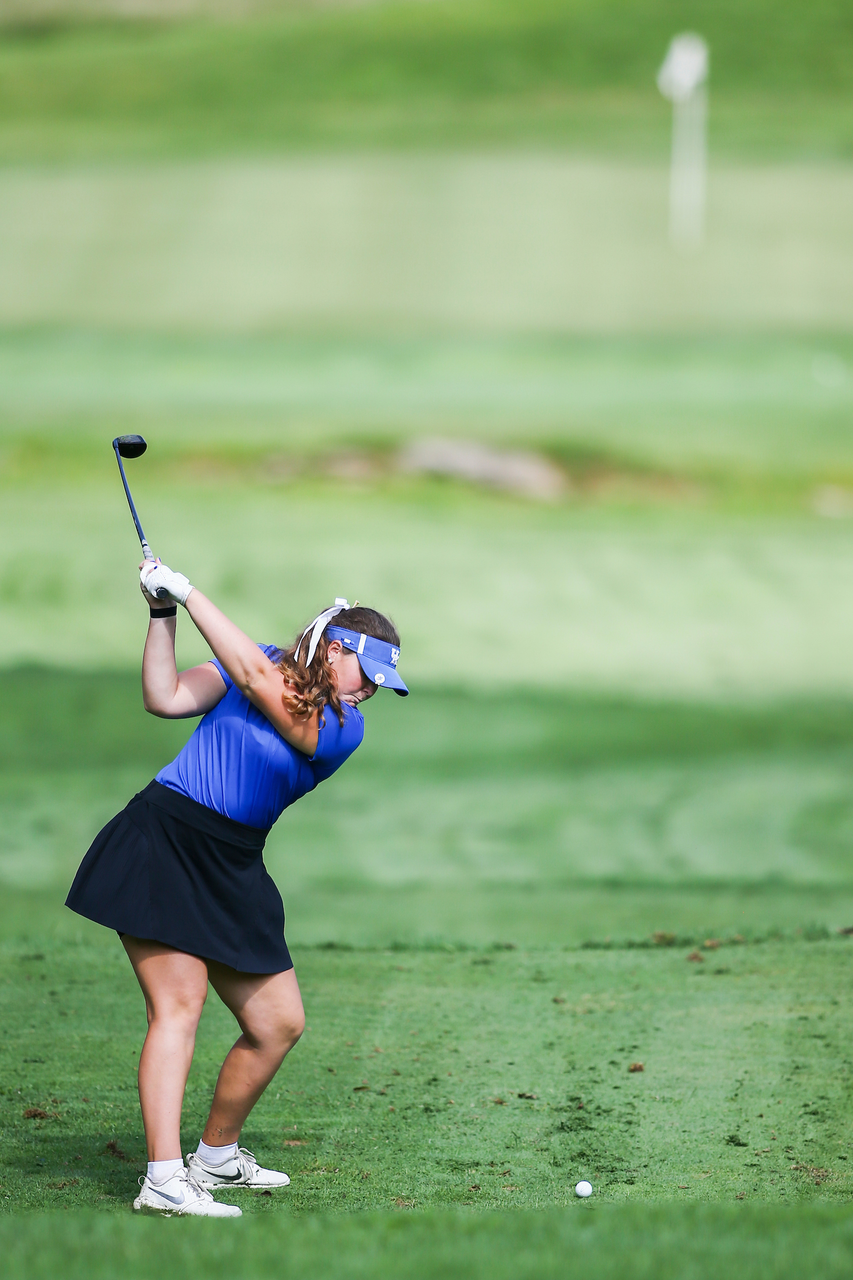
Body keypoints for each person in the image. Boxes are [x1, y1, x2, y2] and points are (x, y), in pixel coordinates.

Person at [66, 560, 407, 1217]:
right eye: (368, 675)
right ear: (336, 651)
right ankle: (164, 1179)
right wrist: (162, 614)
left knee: (278, 1022)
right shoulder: (258, 661)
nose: (369, 693)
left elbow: (255, 677)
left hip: (232, 863)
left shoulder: (342, 728)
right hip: (163, 840)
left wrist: (190, 591)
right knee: (179, 1006)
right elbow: (164, 698)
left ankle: (215, 1155)